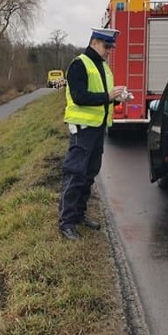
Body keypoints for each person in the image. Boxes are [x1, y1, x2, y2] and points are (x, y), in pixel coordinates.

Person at [58, 27, 126, 240]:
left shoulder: (103, 67)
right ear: (94, 43)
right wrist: (108, 96)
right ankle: (66, 222)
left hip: (97, 129)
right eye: (107, 46)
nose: (109, 51)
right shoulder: (79, 64)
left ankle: (79, 215)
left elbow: (101, 98)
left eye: (111, 48)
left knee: (89, 174)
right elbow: (79, 96)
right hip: (82, 129)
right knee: (75, 174)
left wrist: (117, 98)